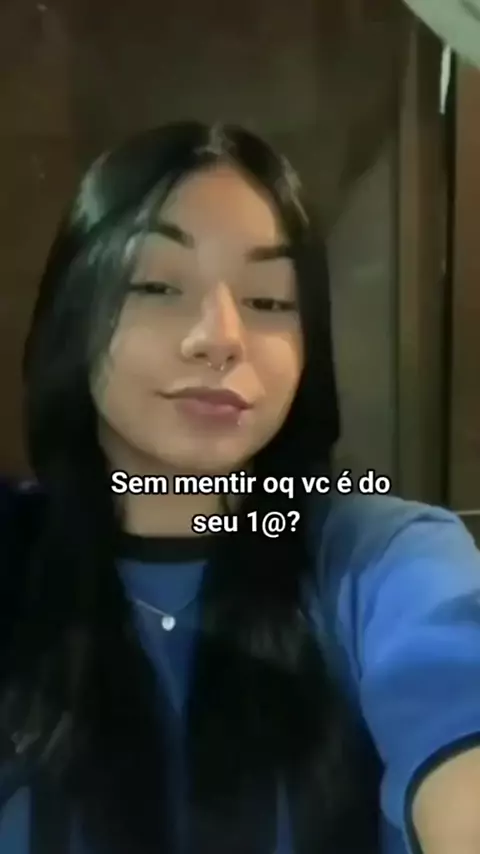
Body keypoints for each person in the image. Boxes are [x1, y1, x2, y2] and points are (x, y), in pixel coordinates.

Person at [0, 120, 480, 854]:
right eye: (157, 285)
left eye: (269, 301)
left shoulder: (381, 561)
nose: (222, 337)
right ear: (72, 315)